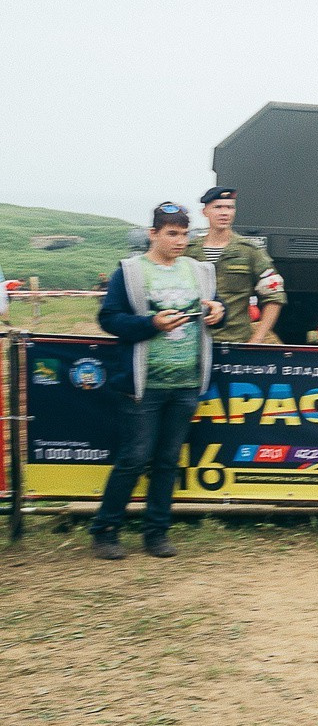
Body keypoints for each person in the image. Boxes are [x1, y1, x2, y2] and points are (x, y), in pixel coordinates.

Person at [90, 202, 225, 560]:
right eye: (172, 233)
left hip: (185, 382)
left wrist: (217, 313)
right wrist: (151, 324)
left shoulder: (200, 271)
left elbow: (215, 310)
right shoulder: (131, 271)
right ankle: (105, 530)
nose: (181, 241)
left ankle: (156, 533)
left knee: (167, 460)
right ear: (153, 234)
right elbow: (109, 319)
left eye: (185, 233)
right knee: (134, 457)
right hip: (142, 385)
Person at [192, 186, 286, 344]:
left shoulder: (249, 251)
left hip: (235, 342)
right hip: (193, 343)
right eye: (218, 207)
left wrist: (258, 338)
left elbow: (275, 296)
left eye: (229, 207)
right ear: (205, 212)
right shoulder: (189, 252)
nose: (224, 213)